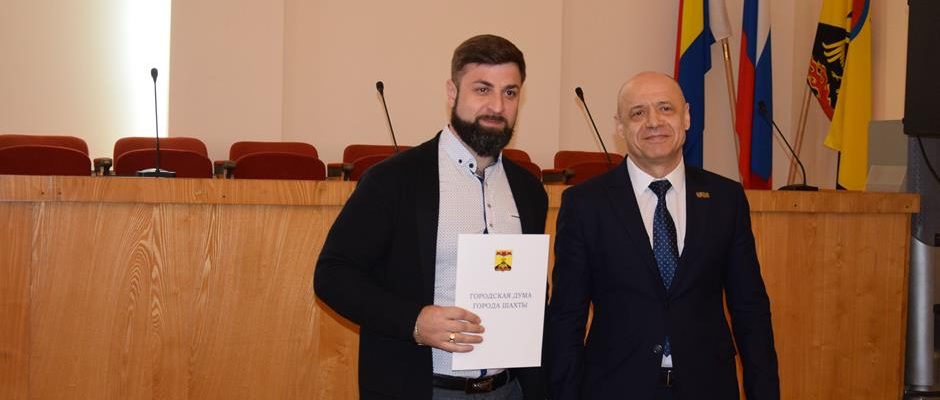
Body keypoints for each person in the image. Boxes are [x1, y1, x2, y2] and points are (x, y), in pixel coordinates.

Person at [314, 34, 548, 400]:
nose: (497, 106)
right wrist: (415, 322)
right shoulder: (394, 180)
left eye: (510, 92)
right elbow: (332, 275)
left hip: (510, 389)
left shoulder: (530, 189)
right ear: (452, 92)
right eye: (482, 89)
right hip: (423, 389)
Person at [545, 71, 780, 399]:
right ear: (620, 126)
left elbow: (750, 309)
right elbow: (567, 317)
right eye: (638, 113)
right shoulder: (585, 204)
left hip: (708, 387)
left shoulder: (726, 199)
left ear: (686, 117)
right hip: (614, 388)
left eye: (665, 108)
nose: (653, 122)